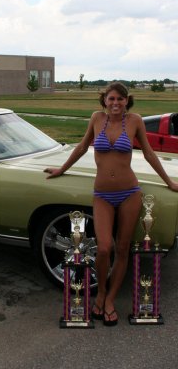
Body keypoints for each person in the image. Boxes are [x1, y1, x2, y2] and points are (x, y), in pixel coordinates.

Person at [44, 81, 178, 326]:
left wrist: (169, 182)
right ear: (104, 101)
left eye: (120, 99)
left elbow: (148, 153)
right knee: (104, 248)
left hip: (129, 193)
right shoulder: (96, 119)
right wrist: (61, 169)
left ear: (127, 101)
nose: (115, 103)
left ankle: (109, 300)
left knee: (123, 248)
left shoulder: (135, 121)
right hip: (103, 195)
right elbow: (83, 147)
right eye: (111, 99)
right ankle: (101, 293)